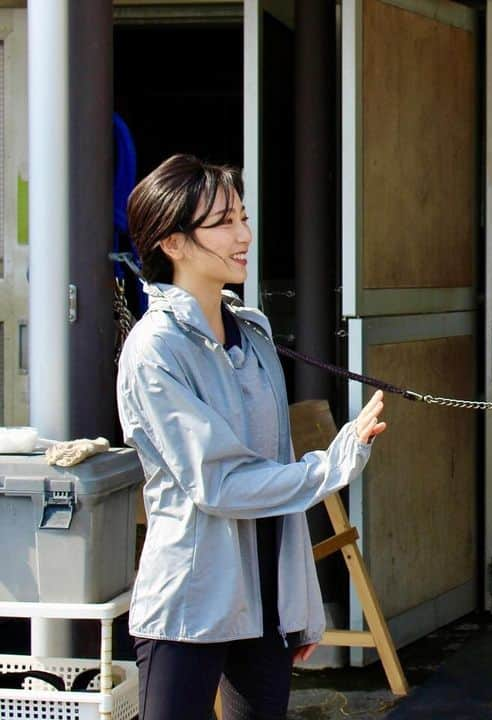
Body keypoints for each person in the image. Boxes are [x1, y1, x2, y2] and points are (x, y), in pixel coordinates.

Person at [117, 154, 387, 720]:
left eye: (243, 216)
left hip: (266, 603)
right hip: (191, 602)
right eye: (223, 222)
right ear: (173, 242)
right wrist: (333, 466)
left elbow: (273, 466)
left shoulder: (255, 330)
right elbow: (220, 484)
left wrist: (299, 603)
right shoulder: (154, 350)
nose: (244, 235)